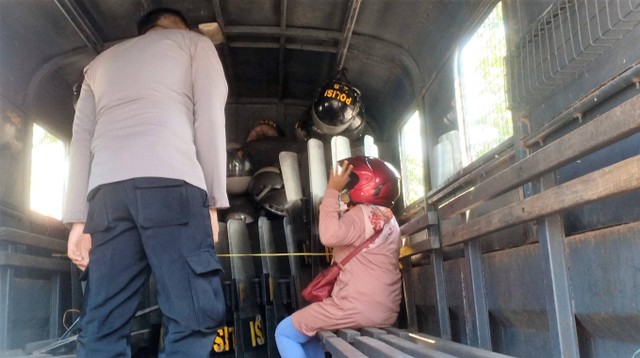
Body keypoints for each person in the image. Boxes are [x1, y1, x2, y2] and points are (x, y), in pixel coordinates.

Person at [63, 7, 228, 357]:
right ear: (179, 28)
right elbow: (210, 119)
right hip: (172, 183)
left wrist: (78, 220)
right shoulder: (193, 44)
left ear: (144, 31)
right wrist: (212, 201)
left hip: (107, 197)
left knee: (102, 323)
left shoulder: (99, 64)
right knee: (193, 316)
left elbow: (80, 143)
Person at [275, 156, 403, 357]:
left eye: (353, 184)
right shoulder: (389, 220)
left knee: (285, 332)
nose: (348, 190)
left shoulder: (361, 214)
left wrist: (332, 191)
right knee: (311, 336)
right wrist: (339, 202)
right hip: (386, 311)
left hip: (355, 308)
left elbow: (329, 235)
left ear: (367, 185)